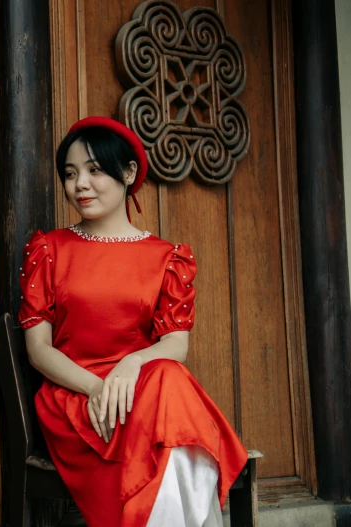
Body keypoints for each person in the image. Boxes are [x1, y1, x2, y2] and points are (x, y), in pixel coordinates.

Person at [18, 116, 248, 527]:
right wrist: (96, 387)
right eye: (70, 174)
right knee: (172, 403)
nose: (80, 185)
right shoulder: (49, 249)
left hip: (142, 394)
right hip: (78, 399)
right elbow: (38, 350)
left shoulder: (166, 257)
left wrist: (130, 364)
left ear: (127, 173)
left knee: (168, 380)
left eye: (94, 170)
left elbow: (176, 345)